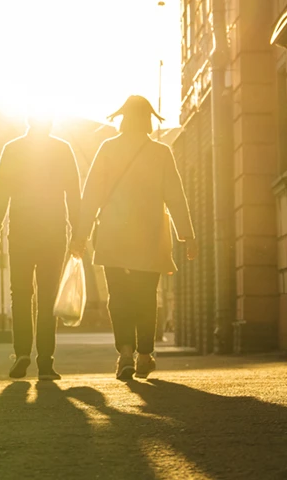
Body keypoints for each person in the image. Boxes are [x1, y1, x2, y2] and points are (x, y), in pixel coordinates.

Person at [69, 95, 197, 381]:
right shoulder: (161, 153)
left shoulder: (107, 149)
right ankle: (143, 355)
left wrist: (80, 235)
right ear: (149, 119)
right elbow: (175, 196)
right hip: (149, 238)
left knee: (119, 297)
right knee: (145, 298)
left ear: (124, 118)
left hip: (114, 237)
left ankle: (125, 353)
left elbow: (90, 196)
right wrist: (187, 235)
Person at [0, 116, 81, 381]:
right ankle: (45, 363)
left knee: (20, 294)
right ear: (51, 122)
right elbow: (73, 193)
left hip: (20, 233)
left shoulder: (13, 149)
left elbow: (0, 193)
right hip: (53, 233)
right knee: (47, 299)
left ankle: (21, 355)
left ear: (28, 121)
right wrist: (78, 233)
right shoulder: (62, 149)